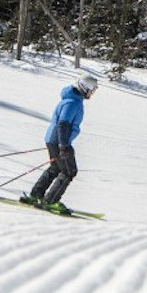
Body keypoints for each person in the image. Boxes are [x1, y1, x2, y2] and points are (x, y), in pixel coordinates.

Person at [22, 75, 98, 214]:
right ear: (84, 88)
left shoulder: (72, 99)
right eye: (92, 90)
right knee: (69, 171)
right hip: (60, 141)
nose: (92, 93)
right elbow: (63, 124)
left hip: (54, 140)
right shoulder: (72, 103)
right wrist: (64, 146)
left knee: (56, 167)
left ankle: (36, 196)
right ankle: (50, 202)